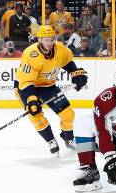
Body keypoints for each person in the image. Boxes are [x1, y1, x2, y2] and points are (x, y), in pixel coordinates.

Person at [14, 25, 88, 155]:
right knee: (35, 114)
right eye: (46, 39)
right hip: (26, 87)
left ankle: (69, 139)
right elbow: (26, 82)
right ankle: (50, 140)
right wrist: (31, 100)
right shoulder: (31, 54)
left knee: (68, 114)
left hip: (48, 86)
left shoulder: (60, 49)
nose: (49, 43)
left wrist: (76, 74)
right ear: (39, 39)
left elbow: (68, 63)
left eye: (51, 39)